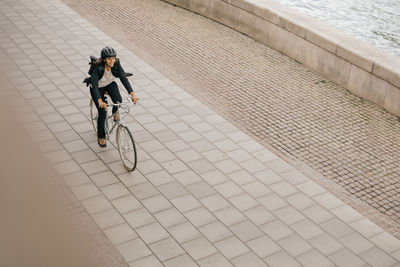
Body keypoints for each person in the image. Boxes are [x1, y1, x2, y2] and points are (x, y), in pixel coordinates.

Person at [90, 47, 138, 147]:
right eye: (109, 59)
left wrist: (132, 94)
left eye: (113, 58)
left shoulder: (116, 64)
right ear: (104, 60)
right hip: (98, 88)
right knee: (102, 112)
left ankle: (115, 113)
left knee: (118, 101)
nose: (112, 61)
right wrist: (100, 101)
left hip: (109, 84)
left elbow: (123, 78)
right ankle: (101, 137)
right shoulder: (98, 68)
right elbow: (94, 85)